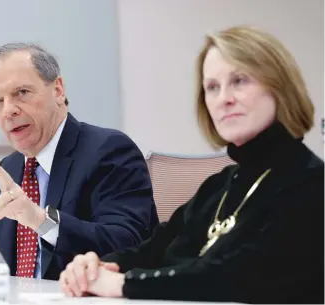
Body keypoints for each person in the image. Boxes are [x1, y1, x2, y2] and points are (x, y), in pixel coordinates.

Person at [59, 25, 324, 303]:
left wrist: (122, 284)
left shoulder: (311, 183)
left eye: (240, 80)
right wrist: (97, 267)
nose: (224, 99)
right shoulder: (219, 186)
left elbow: (231, 277)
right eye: (212, 87)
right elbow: (152, 250)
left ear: (279, 86)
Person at [0, 43, 159, 280]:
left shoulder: (109, 151)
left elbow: (127, 243)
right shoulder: (11, 167)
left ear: (58, 90)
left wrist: (40, 220)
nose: (8, 111)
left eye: (22, 92)